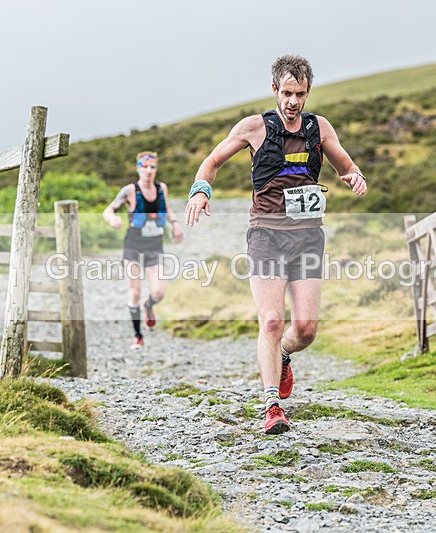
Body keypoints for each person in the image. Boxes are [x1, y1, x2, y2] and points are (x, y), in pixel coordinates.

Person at [184, 55, 367, 434]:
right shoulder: (254, 127)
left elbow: (345, 165)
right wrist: (201, 190)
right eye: (286, 93)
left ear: (308, 92)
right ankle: (271, 406)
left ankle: (284, 354)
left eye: (300, 94)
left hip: (307, 238)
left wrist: (355, 177)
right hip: (266, 236)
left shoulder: (320, 128)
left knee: (307, 329)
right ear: (274, 90)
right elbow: (212, 161)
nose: (293, 102)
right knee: (270, 320)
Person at [104, 151, 184, 349]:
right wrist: (113, 219)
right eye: (145, 166)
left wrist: (175, 224)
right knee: (135, 291)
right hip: (132, 247)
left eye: (153, 167)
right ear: (138, 167)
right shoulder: (130, 190)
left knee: (159, 291)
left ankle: (149, 306)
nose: (149, 170)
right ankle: (137, 335)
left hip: (154, 246)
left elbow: (167, 208)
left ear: (156, 168)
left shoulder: (161, 188)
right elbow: (109, 209)